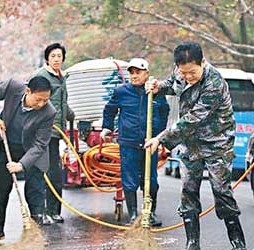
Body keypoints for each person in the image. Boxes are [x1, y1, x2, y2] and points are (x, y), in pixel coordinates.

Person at [144, 42, 246, 250]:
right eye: (184, 72)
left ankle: (237, 242)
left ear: (203, 62)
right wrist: (158, 87)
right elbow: (173, 84)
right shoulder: (181, 71)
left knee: (221, 190)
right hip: (190, 143)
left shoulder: (214, 82)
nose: (187, 76)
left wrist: (161, 139)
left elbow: (193, 118)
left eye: (192, 72)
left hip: (217, 142)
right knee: (188, 190)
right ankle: (192, 243)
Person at [0, 77, 56, 244]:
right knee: (0, 191)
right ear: (27, 91)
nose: (42, 104)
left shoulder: (49, 112)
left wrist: (21, 165)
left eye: (46, 100)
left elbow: (40, 144)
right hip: (7, 146)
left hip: (33, 155)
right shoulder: (13, 87)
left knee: (35, 193)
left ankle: (35, 235)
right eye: (38, 100)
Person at [100, 58, 169, 226]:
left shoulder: (157, 92)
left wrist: (160, 136)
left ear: (146, 74)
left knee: (150, 180)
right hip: (128, 143)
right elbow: (109, 110)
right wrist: (107, 128)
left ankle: (150, 213)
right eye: (131, 72)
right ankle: (133, 215)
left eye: (138, 72)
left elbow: (164, 112)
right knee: (129, 180)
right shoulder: (121, 92)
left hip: (149, 144)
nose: (134, 76)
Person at [31, 43, 74, 224]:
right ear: (47, 58)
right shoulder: (41, 76)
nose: (57, 59)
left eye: (59, 56)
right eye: (53, 56)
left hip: (56, 132)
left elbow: (61, 103)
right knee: (43, 171)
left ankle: (54, 211)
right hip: (43, 131)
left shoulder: (62, 77)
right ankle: (41, 213)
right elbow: (34, 101)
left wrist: (72, 116)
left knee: (55, 172)